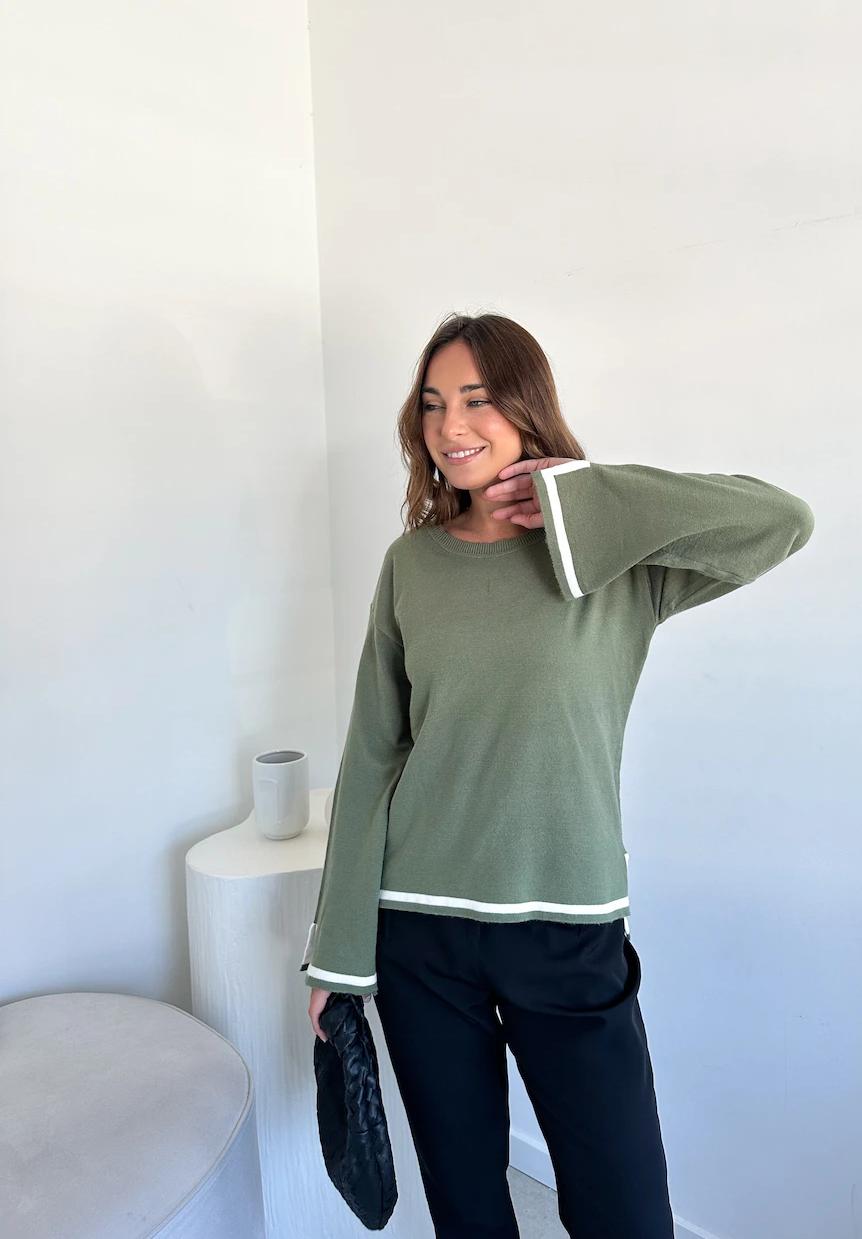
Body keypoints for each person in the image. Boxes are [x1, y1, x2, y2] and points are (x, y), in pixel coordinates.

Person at [303, 312, 814, 1239]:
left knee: (626, 1210)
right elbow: (374, 750)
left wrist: (589, 494)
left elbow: (782, 521)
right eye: (432, 405)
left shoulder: (615, 561)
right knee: (465, 1204)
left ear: (528, 407)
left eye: (478, 400)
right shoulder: (411, 565)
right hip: (420, 929)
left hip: (569, 927)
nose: (451, 426)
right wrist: (337, 956)